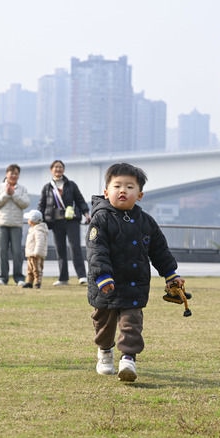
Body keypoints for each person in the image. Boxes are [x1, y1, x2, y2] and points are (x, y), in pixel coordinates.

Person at [86, 163, 185, 382]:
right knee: (104, 324)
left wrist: (171, 273)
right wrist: (102, 275)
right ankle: (105, 351)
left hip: (134, 284)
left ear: (139, 195)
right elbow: (96, 250)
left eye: (129, 187)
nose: (123, 190)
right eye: (117, 186)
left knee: (132, 323)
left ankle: (128, 359)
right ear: (106, 192)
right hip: (106, 284)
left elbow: (159, 250)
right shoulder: (100, 219)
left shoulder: (146, 222)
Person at [37, 160, 91, 286]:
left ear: (64, 170)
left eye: (60, 167)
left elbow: (80, 200)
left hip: (71, 220)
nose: (58, 169)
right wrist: (38, 219)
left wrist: (86, 213)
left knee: (75, 248)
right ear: (51, 170)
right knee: (60, 250)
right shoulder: (47, 187)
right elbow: (42, 205)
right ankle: (63, 278)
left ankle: (82, 276)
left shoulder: (71, 185)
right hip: (56, 222)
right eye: (56, 167)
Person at [0, 163, 29, 286]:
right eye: (11, 173)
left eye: (16, 173)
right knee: (1, 252)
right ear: (6, 174)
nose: (14, 176)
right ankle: (2, 277)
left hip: (16, 224)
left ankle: (19, 277)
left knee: (17, 252)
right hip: (1, 224)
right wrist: (6, 194)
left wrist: (14, 194)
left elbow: (25, 204)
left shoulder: (22, 189)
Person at [22, 209, 49, 289]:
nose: (27, 221)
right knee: (30, 269)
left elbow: (40, 242)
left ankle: (37, 282)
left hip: (35, 254)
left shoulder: (38, 230)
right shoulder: (33, 229)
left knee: (37, 269)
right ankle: (29, 282)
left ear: (32, 221)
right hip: (30, 254)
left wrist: (37, 252)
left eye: (29, 219)